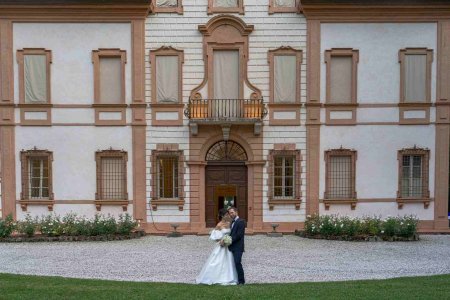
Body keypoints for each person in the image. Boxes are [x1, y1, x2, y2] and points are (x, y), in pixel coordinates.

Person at [195, 208, 238, 285]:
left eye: (228, 214)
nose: (227, 216)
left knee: (229, 261)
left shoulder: (230, 223)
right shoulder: (219, 225)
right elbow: (214, 237)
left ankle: (229, 277)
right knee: (217, 262)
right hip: (221, 246)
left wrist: (228, 240)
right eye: (226, 215)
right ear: (222, 216)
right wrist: (221, 241)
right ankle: (214, 277)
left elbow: (231, 234)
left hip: (228, 246)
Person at [226, 206, 245, 285]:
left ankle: (241, 281)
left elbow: (239, 235)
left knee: (237, 262)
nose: (231, 214)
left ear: (236, 212)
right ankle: (234, 279)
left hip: (238, 247)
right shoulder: (231, 222)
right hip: (231, 247)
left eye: (232, 212)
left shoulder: (241, 221)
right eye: (230, 213)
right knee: (232, 264)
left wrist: (229, 240)